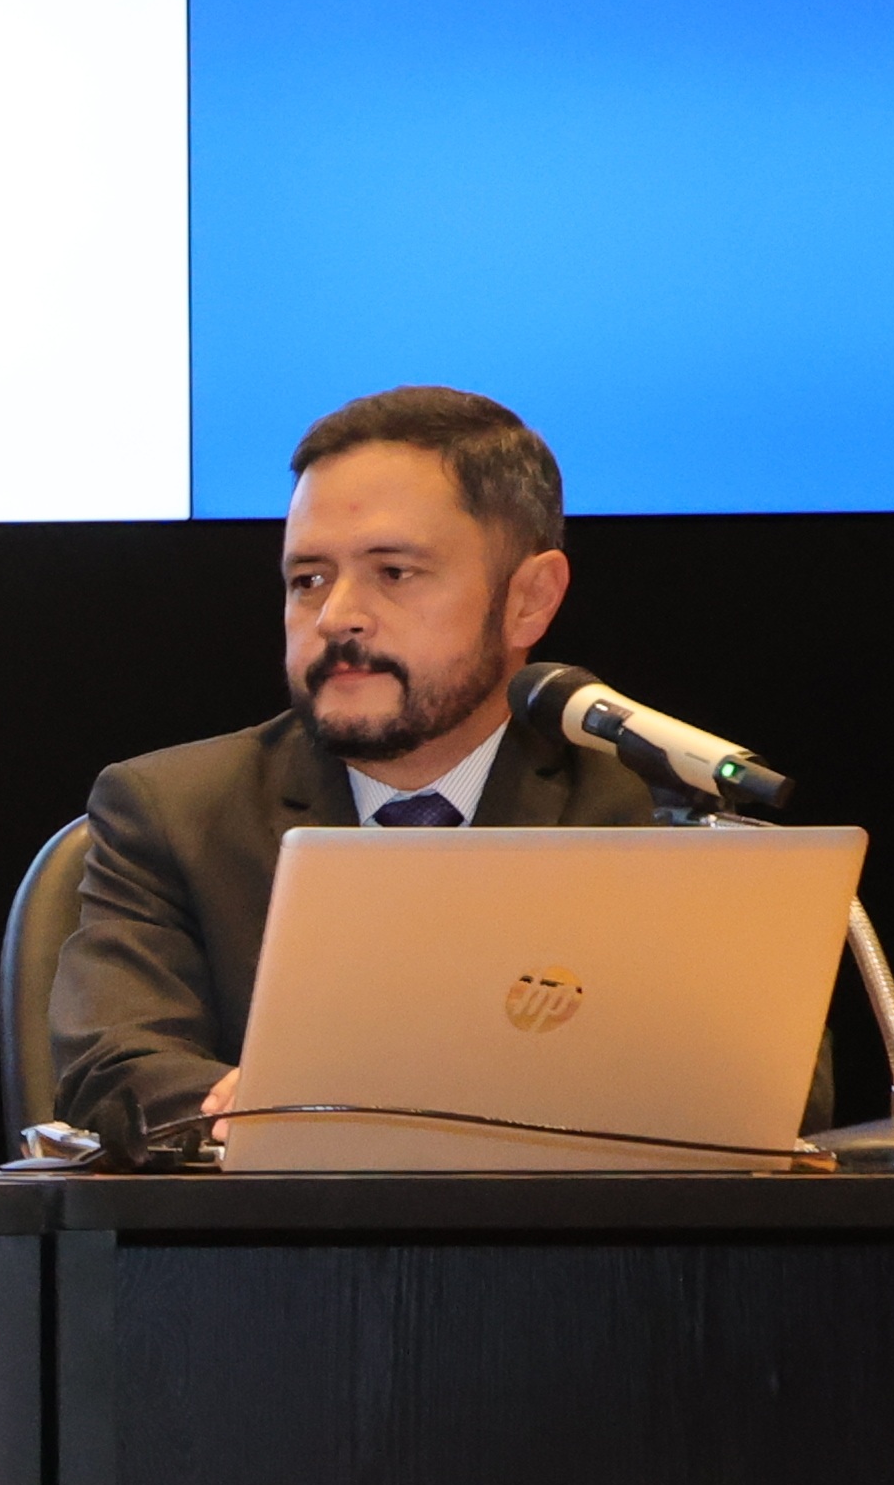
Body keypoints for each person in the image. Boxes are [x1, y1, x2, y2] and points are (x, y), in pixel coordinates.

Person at [47, 384, 661, 1156]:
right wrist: (267, 1107)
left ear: (529, 601)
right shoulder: (174, 812)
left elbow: (773, 1085)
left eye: (393, 572)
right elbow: (117, 1067)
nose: (337, 616)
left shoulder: (636, 809)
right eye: (308, 579)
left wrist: (403, 1100)